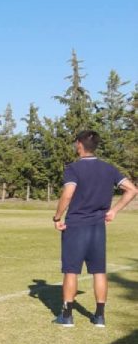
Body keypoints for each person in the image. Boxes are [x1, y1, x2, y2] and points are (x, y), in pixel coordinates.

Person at [52, 130, 136, 327]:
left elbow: (68, 193)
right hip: (98, 228)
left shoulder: (73, 168)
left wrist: (57, 217)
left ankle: (67, 316)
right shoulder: (109, 168)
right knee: (99, 271)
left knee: (71, 270)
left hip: (76, 226)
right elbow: (132, 190)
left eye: (76, 143)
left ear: (80, 144)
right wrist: (114, 211)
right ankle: (99, 317)